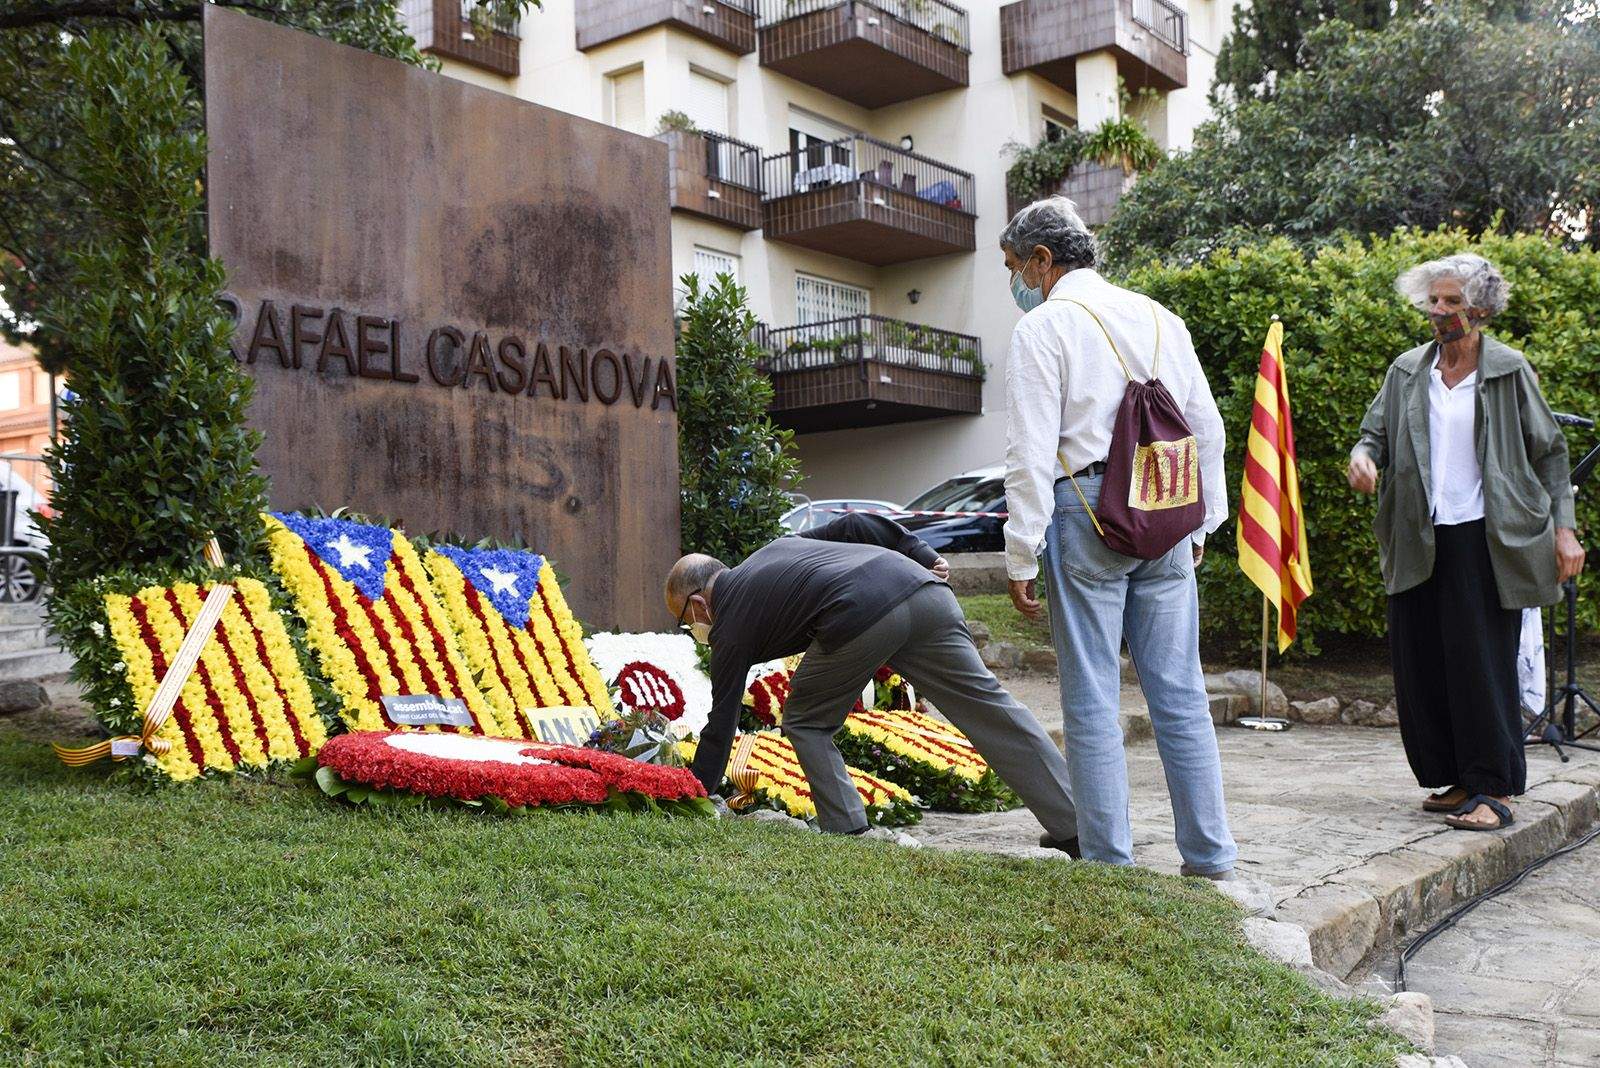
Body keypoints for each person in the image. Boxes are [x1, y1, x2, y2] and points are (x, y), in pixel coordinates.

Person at [999, 196, 1236, 879]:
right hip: (1166, 511)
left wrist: (1022, 548)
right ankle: (1211, 856)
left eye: (1018, 267)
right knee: (1181, 692)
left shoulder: (1046, 329)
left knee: (1093, 696)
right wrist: (1205, 523)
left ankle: (1109, 863)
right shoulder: (1160, 316)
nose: (1018, 282)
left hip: (1088, 515)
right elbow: (1207, 427)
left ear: (1045, 261)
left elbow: (1031, 452)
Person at [666, 511, 1080, 848]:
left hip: (860, 613)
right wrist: (918, 551)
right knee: (991, 710)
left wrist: (695, 793)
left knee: (805, 720)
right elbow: (855, 525)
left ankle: (847, 829)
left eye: (687, 622)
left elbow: (722, 721)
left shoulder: (730, 618)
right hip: (926, 590)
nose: (696, 630)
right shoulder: (776, 550)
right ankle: (1075, 827)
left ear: (699, 603)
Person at [1349, 253, 1584, 831]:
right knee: (1424, 660)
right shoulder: (1408, 369)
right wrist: (1362, 458)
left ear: (1479, 309)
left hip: (1487, 538)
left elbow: (1550, 454)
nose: (1439, 310)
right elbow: (1372, 434)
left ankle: (1491, 789)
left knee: (1480, 663)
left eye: (1452, 302)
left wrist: (1565, 529)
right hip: (1419, 534)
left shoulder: (1507, 369)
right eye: (1434, 300)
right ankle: (1458, 777)